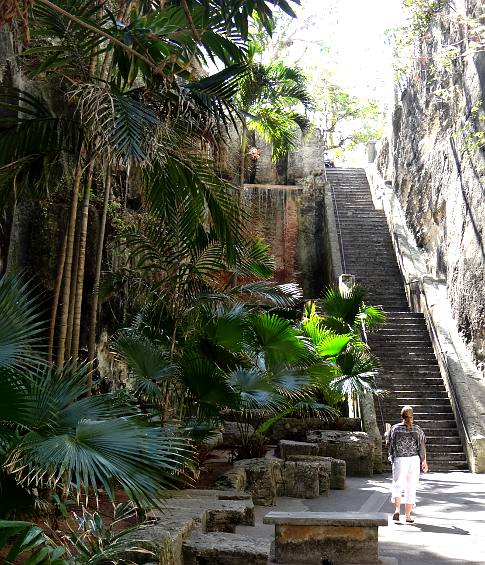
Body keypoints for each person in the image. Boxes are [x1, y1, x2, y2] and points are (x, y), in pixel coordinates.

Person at [387, 405, 428, 523]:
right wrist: (424, 461)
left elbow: (390, 442)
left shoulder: (395, 428)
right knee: (411, 487)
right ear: (412, 416)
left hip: (400, 459)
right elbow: (422, 445)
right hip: (414, 460)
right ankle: (408, 516)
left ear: (401, 416)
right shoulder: (417, 429)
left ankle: (397, 510)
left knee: (397, 485)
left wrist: (386, 434)